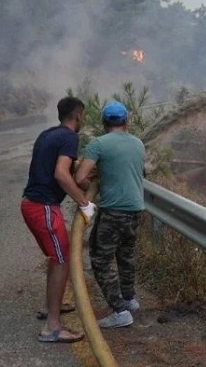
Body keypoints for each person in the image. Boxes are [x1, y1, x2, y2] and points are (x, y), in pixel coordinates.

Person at [22, 96, 96, 343]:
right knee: (62, 259)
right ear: (78, 116)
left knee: (57, 257)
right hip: (43, 207)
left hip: (30, 204)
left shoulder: (48, 134)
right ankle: (52, 327)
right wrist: (84, 203)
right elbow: (61, 174)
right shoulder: (69, 137)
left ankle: (49, 307)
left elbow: (62, 171)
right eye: (82, 116)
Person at [75, 100, 145, 329]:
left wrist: (90, 185)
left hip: (113, 211)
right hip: (135, 210)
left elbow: (79, 178)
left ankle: (119, 311)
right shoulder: (138, 143)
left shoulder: (98, 144)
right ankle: (129, 299)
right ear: (126, 121)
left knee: (100, 259)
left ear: (104, 122)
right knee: (126, 256)